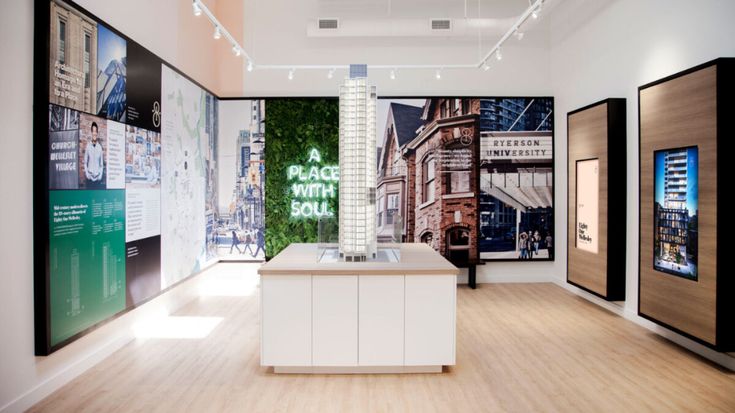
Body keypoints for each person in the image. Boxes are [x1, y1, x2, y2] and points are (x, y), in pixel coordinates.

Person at [84, 121, 104, 187]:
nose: (94, 133)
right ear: (91, 132)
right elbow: (85, 162)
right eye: (93, 131)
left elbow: (101, 164)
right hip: (89, 178)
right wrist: (87, 174)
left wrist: (100, 175)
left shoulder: (100, 148)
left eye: (96, 131)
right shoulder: (88, 146)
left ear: (97, 133)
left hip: (97, 179)